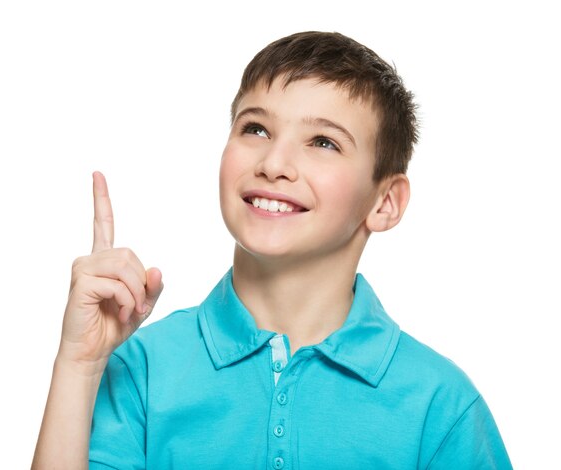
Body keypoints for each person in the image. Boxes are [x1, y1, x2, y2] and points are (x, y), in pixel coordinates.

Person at [32, 31, 512, 469]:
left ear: (385, 202)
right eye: (256, 129)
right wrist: (79, 364)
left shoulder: (439, 404)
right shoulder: (143, 369)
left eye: (323, 142)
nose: (275, 163)